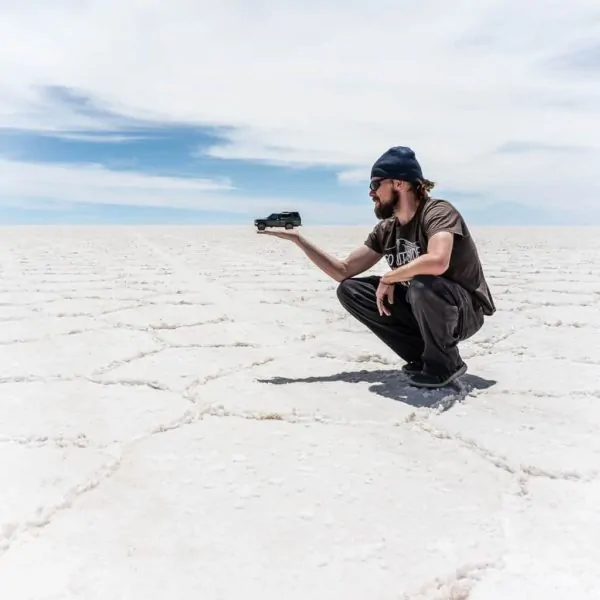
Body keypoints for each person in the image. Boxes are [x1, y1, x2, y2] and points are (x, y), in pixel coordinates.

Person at [258, 146, 496, 388]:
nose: (371, 193)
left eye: (375, 185)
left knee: (423, 283)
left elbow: (437, 260)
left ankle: (444, 364)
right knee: (350, 289)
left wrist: (389, 277)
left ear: (399, 183)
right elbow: (343, 270)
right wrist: (298, 239)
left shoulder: (437, 212)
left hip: (461, 311)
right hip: (421, 307)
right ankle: (423, 355)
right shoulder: (387, 229)